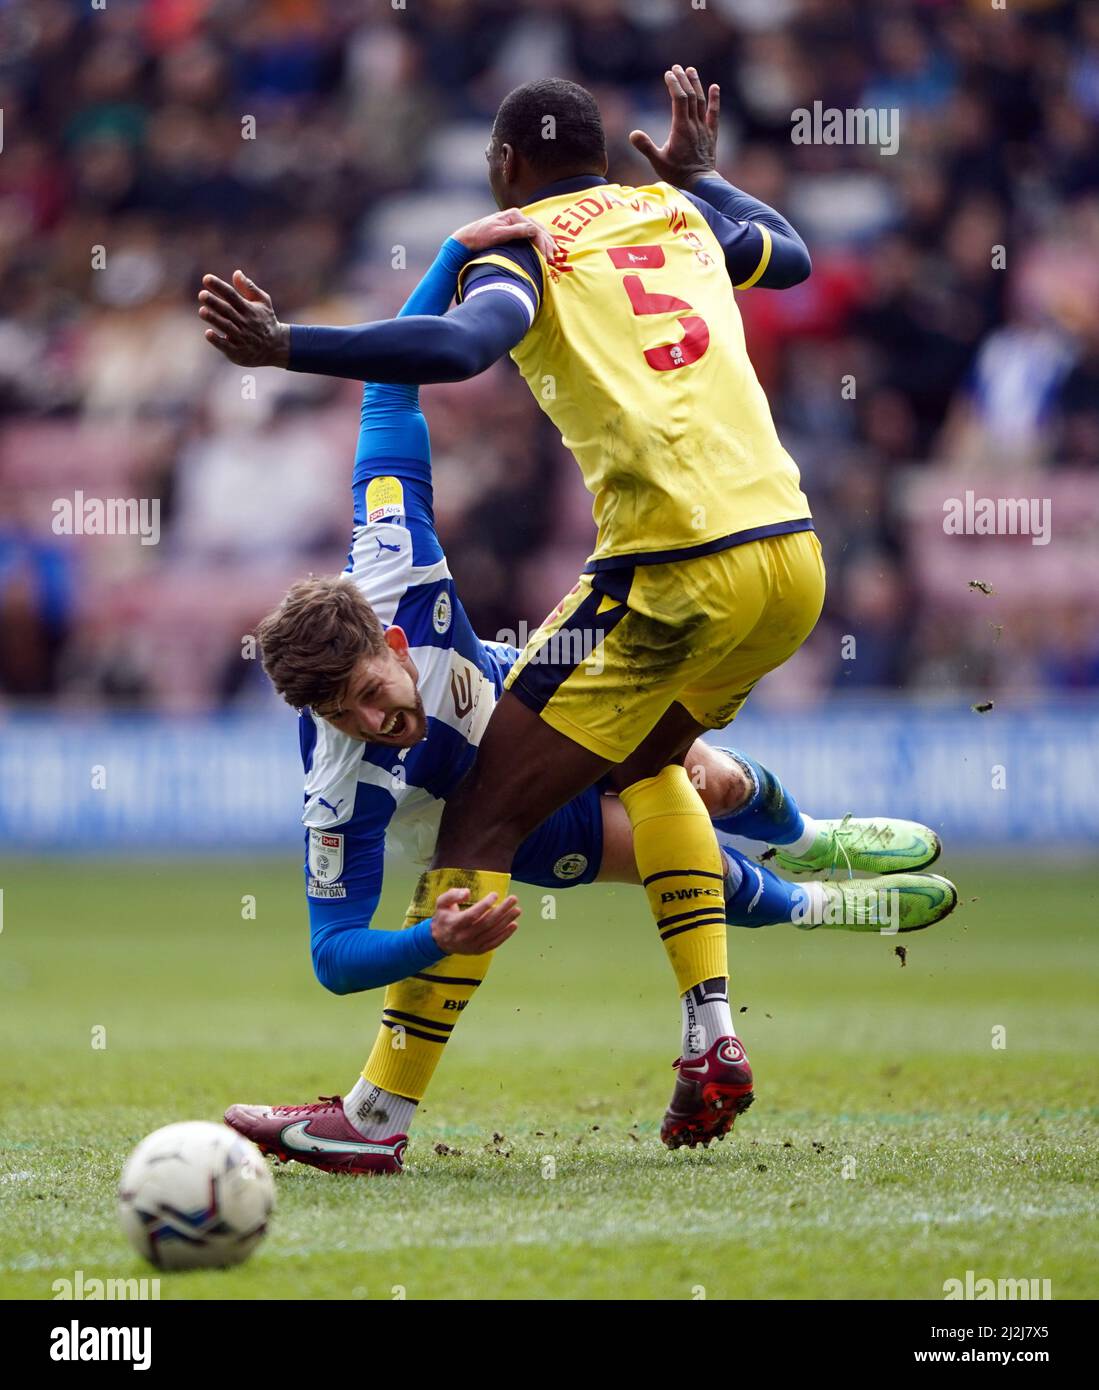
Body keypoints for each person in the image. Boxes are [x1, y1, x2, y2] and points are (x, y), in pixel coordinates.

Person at [218, 210, 954, 1174]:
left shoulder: (393, 558)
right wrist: (428, 940)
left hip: (533, 715)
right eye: (339, 716)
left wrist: (450, 252)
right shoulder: (341, 784)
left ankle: (809, 835)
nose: (371, 722)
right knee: (670, 838)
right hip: (506, 834)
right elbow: (332, 954)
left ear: (391, 638)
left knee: (701, 776)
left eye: (369, 691)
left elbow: (387, 390)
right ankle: (811, 905)